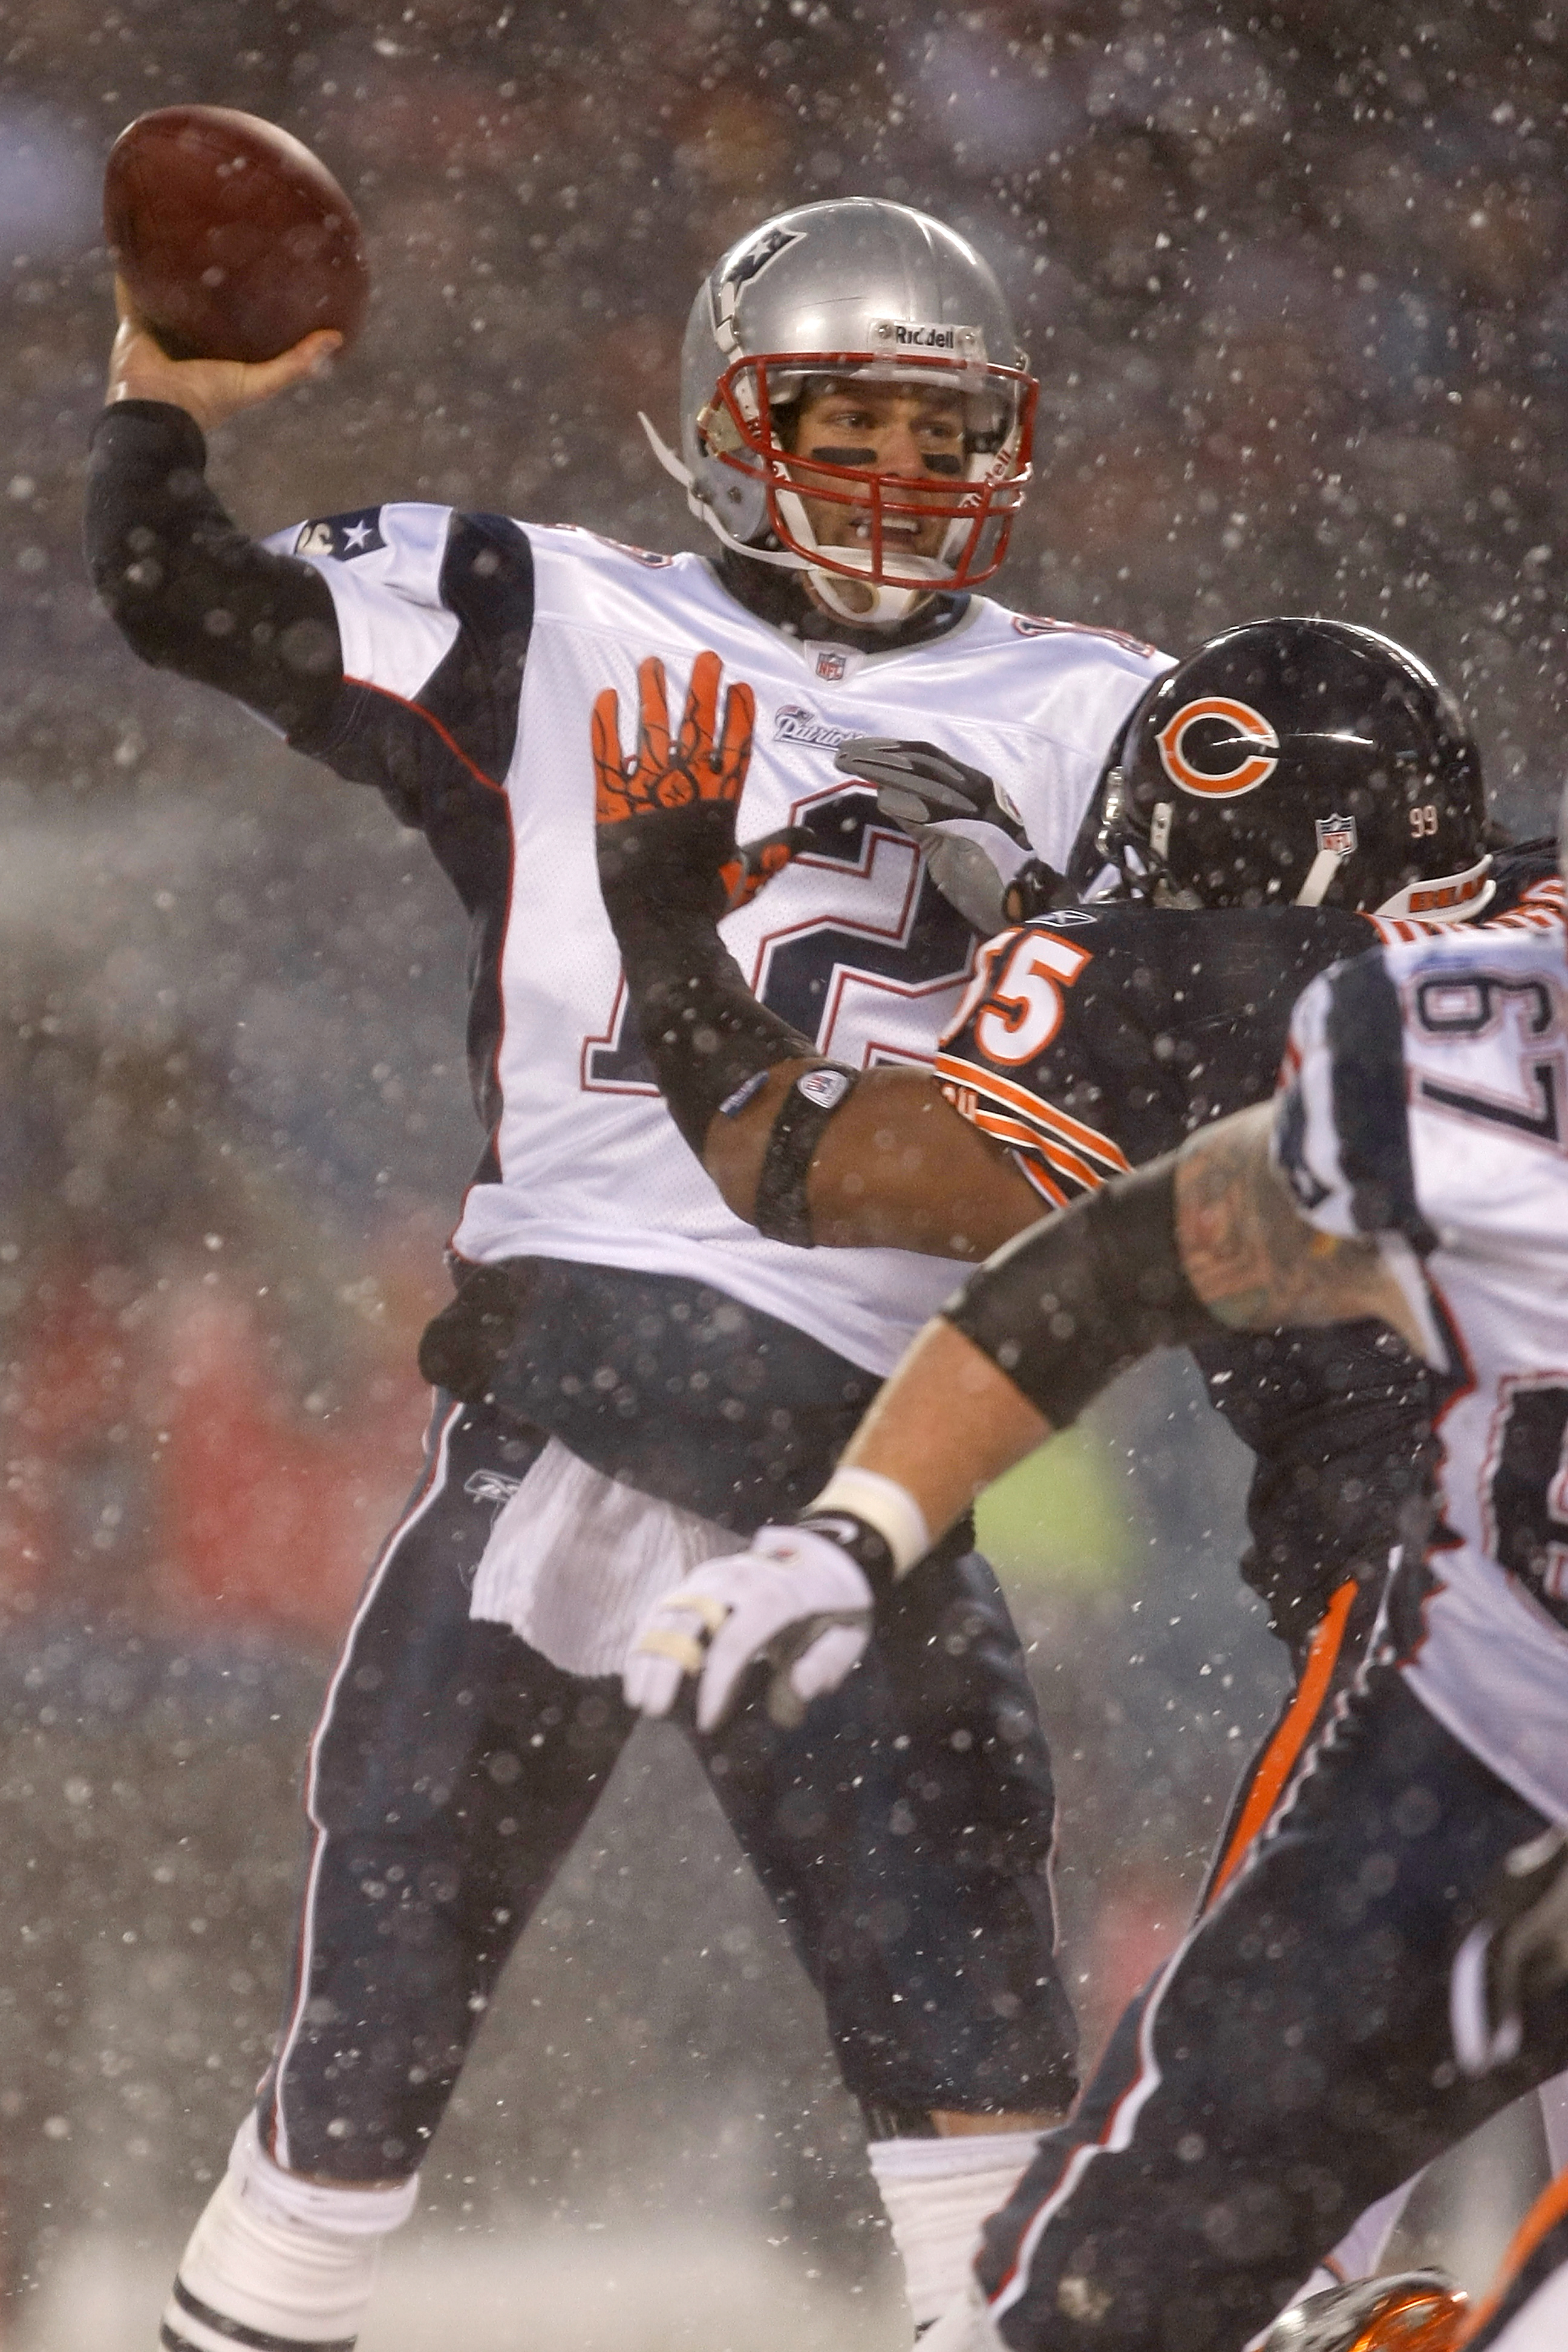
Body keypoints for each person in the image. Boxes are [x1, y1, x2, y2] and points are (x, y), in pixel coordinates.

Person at [85, 198, 1172, 2351]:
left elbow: (1279, 980)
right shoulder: (539, 606)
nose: (896, 476)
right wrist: (157, 410)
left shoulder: (1109, 713)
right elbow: (177, 595)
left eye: (941, 432)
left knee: (970, 2057)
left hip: (874, 1438)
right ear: (719, 418)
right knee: (365, 2058)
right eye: (842, 418)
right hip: (581, 1380)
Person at [598, 616, 1564, 2333]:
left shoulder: (1169, 977)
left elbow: (801, 1158)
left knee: (1198, 2221)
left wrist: (663, 914)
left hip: (1464, 1629)